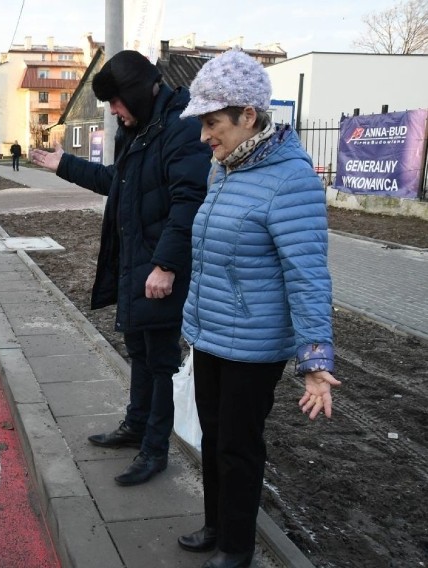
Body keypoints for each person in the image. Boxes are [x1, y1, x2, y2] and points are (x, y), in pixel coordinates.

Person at [176, 48, 341, 568]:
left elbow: (309, 276)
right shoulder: (223, 168)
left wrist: (315, 362)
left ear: (249, 116)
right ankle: (215, 524)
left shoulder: (290, 180)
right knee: (212, 435)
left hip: (254, 344)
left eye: (212, 122)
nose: (204, 136)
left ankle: (238, 547)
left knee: (238, 447)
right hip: (210, 333)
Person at [29, 50, 211, 486]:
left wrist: (166, 265)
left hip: (160, 269)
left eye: (115, 102)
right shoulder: (141, 127)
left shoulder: (182, 128)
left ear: (135, 93)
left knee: (161, 360)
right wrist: (65, 166)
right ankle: (135, 426)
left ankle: (154, 449)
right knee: (140, 353)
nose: (112, 111)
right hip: (134, 262)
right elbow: (119, 183)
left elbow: (189, 202)